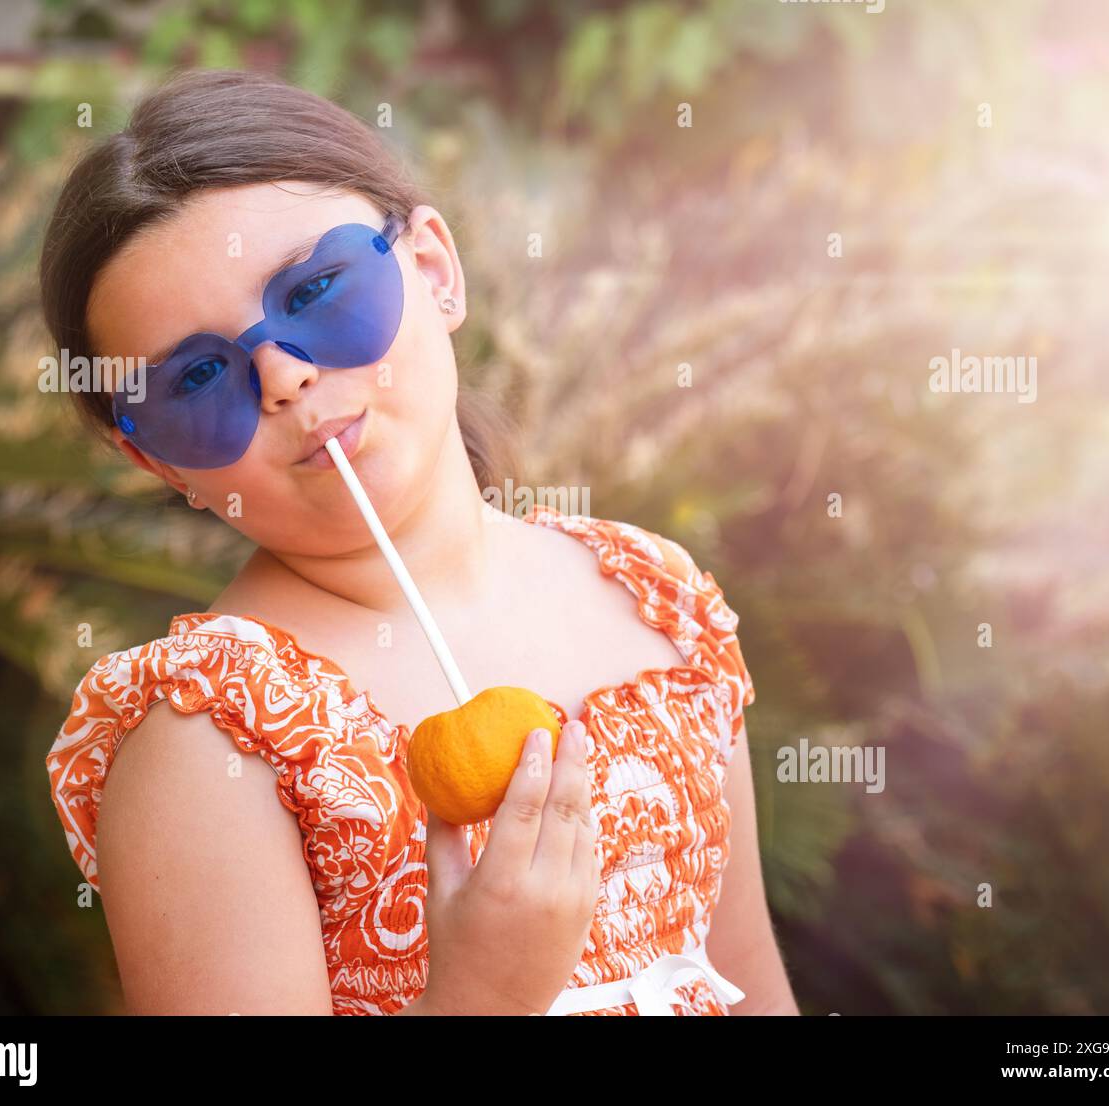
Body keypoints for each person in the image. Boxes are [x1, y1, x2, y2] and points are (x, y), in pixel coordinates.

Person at [42, 68, 797, 1016]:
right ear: (155, 460)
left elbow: (755, 987)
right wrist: (482, 995)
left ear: (434, 269)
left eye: (316, 288)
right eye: (195, 380)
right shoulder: (208, 742)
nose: (281, 375)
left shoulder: (655, 602)